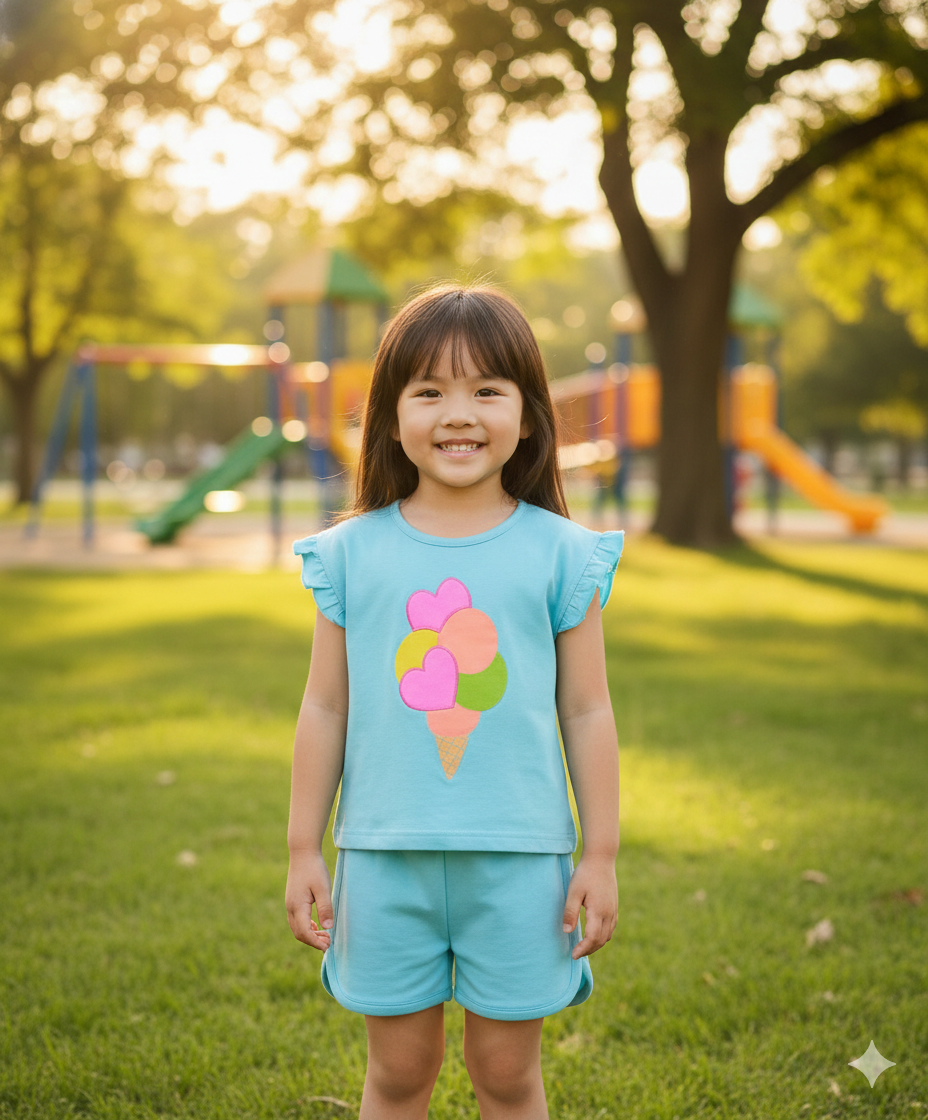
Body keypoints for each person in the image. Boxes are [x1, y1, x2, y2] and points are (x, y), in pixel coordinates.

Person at [286, 284, 623, 1120]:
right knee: (399, 1075)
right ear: (390, 415)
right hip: (383, 858)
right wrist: (302, 848)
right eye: (428, 391)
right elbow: (326, 708)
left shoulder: (561, 555)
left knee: (506, 1076)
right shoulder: (350, 555)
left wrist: (601, 854)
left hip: (518, 864)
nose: (457, 413)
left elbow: (587, 712)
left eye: (486, 390)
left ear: (529, 413)